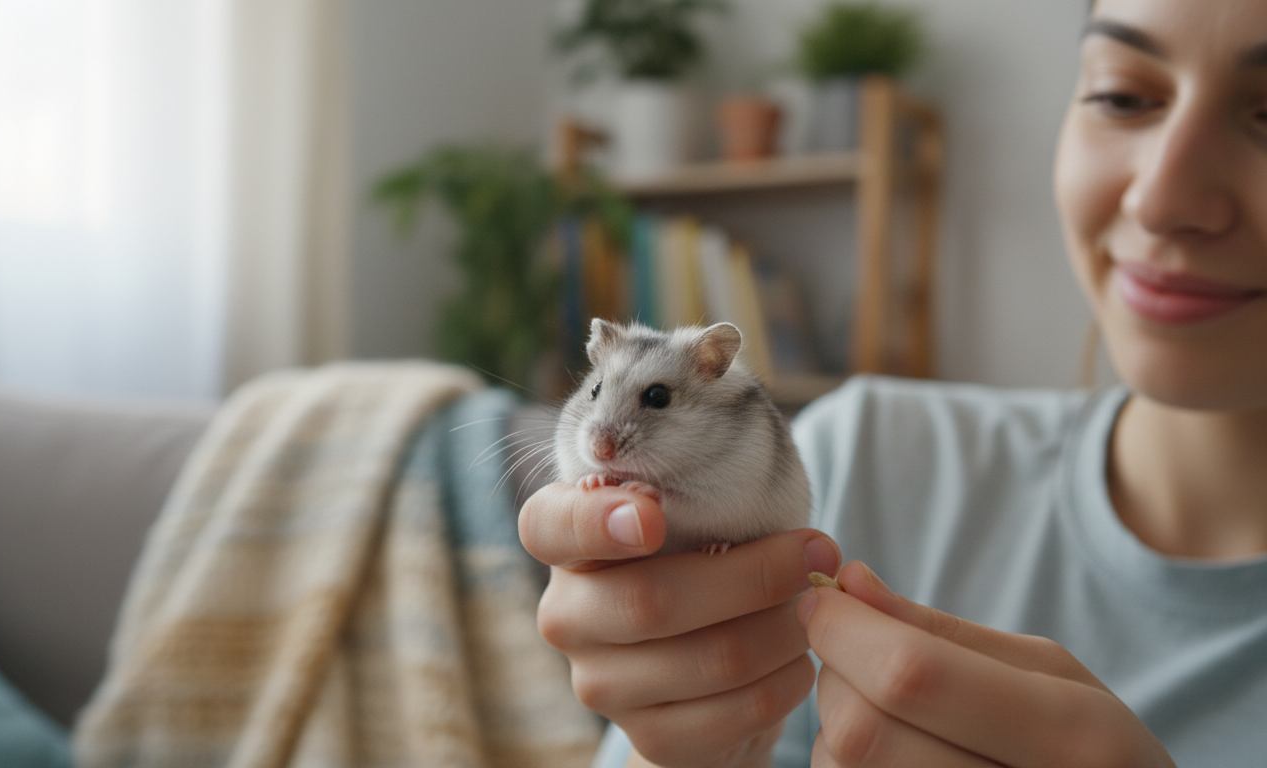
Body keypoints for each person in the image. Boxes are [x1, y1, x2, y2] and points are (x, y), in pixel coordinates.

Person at [518, 0, 1267, 765]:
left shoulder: (774, 444)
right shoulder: (859, 445)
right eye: (1124, 96)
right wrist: (694, 744)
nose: (1163, 199)